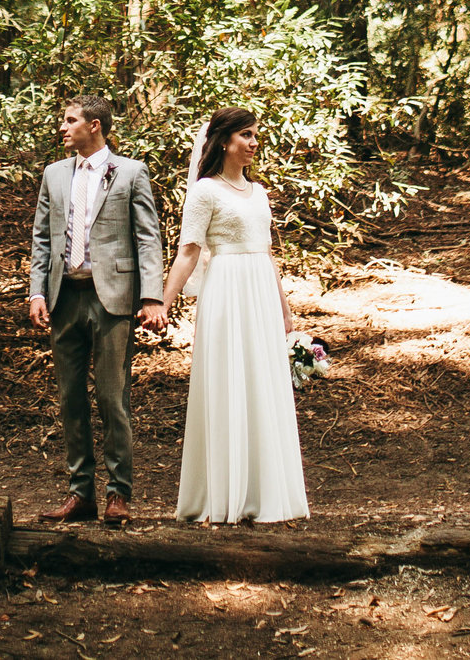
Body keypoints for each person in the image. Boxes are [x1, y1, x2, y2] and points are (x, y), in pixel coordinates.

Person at [159, 107, 309, 525]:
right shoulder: (205, 191)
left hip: (260, 290)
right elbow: (189, 251)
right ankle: (223, 493)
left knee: (262, 382)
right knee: (228, 382)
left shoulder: (258, 192)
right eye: (246, 135)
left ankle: (264, 491)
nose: (254, 142)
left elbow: (267, 252)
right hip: (225, 290)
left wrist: (285, 309)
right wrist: (163, 302)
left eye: (256, 134)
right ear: (224, 141)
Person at [28, 93, 167, 526]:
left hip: (112, 299)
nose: (62, 128)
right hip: (64, 297)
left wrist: (152, 296)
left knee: (111, 397)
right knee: (70, 398)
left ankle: (118, 494)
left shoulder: (130, 173)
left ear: (95, 126)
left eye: (70, 121)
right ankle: (79, 493)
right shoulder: (53, 175)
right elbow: (41, 239)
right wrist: (36, 292)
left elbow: (147, 237)